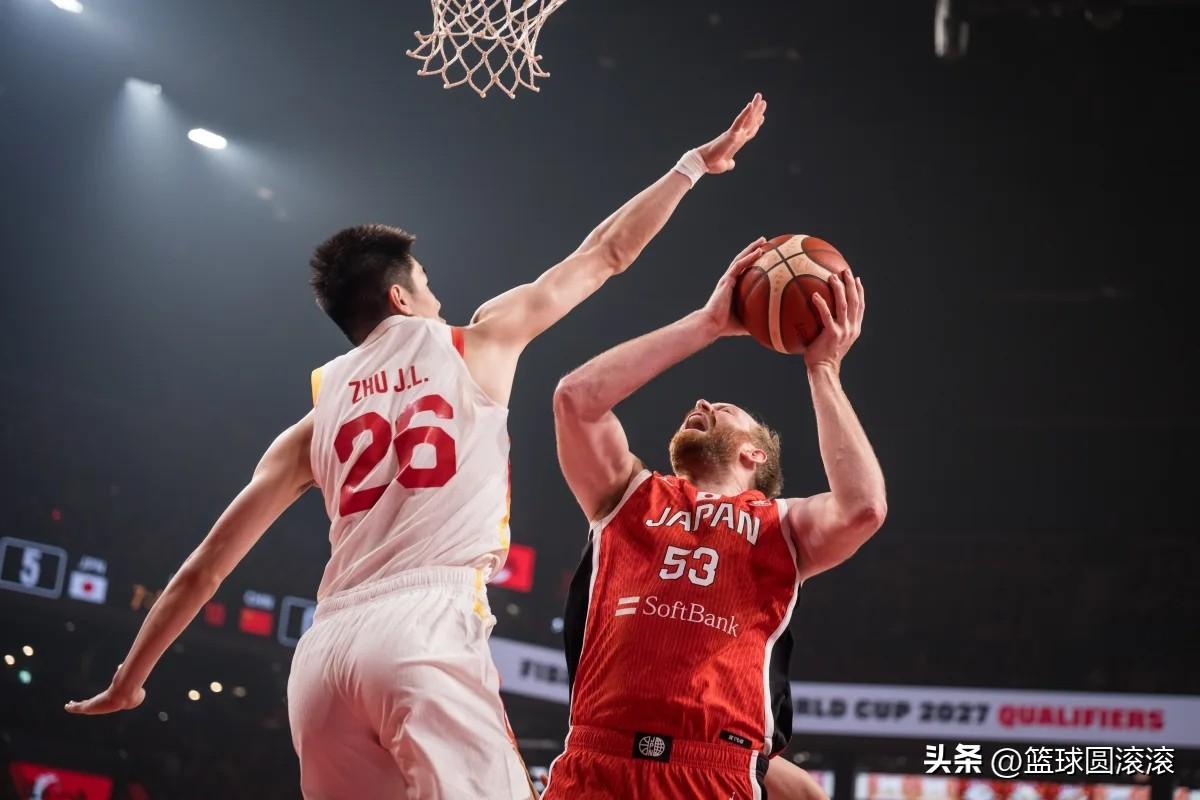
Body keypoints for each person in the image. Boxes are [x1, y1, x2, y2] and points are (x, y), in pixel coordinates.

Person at [63, 96, 767, 800]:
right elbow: (606, 253)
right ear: (401, 298)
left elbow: (204, 569)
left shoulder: (311, 423)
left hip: (324, 657)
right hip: (424, 627)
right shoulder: (476, 342)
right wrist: (690, 167)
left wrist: (130, 679)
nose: (438, 301)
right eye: (428, 288)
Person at [544, 239, 887, 798]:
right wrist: (705, 325)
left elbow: (864, 507)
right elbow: (575, 399)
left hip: (712, 770)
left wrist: (823, 368)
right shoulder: (627, 495)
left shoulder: (783, 526)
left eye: (723, 410)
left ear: (755, 454)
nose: (701, 402)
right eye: (702, 406)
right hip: (595, 760)